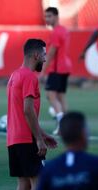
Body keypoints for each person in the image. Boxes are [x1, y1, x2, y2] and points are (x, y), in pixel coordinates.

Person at [7, 39, 57, 190]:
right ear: (36, 55)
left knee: (24, 184)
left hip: (13, 140)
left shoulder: (15, 75)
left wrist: (42, 134)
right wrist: (39, 139)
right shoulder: (29, 77)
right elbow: (27, 110)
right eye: (43, 54)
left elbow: (21, 114)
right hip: (26, 139)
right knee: (40, 182)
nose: (44, 58)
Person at [41, 7, 72, 135]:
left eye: (49, 16)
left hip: (57, 68)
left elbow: (51, 54)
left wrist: (42, 72)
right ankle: (68, 125)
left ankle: (60, 123)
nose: (47, 19)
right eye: (46, 16)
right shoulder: (64, 30)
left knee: (50, 95)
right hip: (65, 67)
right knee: (61, 97)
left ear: (56, 17)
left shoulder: (56, 33)